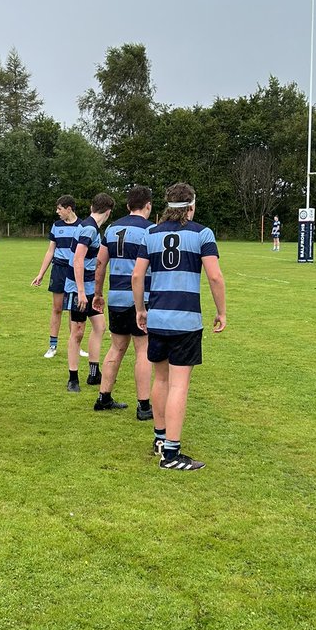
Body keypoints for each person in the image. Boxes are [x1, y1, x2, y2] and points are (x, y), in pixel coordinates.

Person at [132, 182, 227, 471]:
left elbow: (137, 276)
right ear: (191, 206)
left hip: (158, 318)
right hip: (185, 321)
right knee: (179, 385)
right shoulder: (203, 234)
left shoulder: (150, 233)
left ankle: (160, 439)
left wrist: (140, 309)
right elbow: (215, 277)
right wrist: (222, 311)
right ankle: (171, 454)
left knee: (160, 380)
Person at [92, 186, 154, 418]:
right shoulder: (151, 231)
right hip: (140, 299)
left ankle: (103, 397)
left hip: (116, 297)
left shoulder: (112, 228)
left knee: (116, 347)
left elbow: (100, 264)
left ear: (128, 206)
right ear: (148, 205)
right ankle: (144, 406)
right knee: (143, 351)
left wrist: (98, 293)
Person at [65, 193, 114, 392]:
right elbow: (78, 260)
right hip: (79, 288)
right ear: (109, 212)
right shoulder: (89, 229)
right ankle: (72, 378)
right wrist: (82, 292)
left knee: (100, 326)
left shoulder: (91, 227)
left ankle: (94, 373)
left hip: (89, 287)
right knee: (77, 332)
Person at [31, 196, 79, 358]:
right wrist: (41, 274)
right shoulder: (56, 226)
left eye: (59, 208)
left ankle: (76, 345)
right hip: (58, 270)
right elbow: (50, 251)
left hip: (74, 271)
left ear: (69, 209)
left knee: (74, 309)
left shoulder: (82, 226)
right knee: (57, 308)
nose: (57, 212)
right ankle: (53, 346)